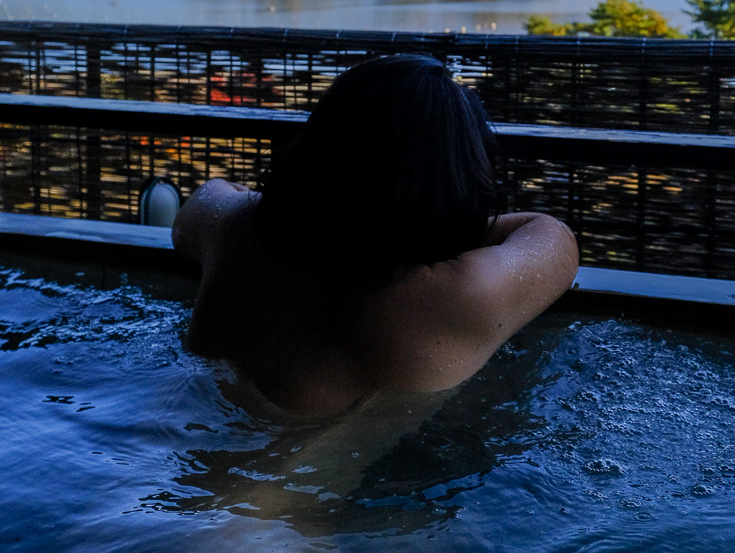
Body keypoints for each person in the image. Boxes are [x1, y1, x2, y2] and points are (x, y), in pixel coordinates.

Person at [174, 53, 578, 415]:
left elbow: (205, 200)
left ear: (315, 146)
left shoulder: (233, 229)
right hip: (310, 492)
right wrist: (454, 226)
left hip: (176, 439)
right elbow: (553, 235)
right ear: (455, 179)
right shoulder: (457, 295)